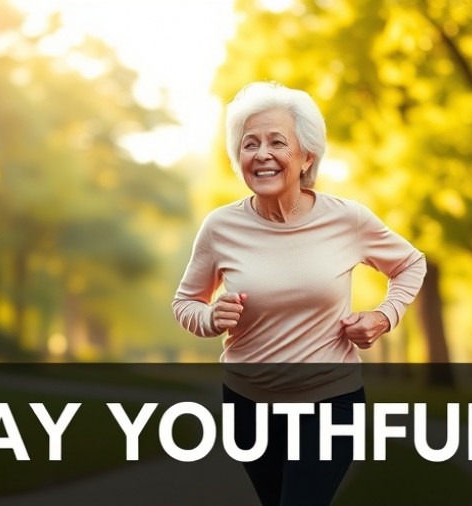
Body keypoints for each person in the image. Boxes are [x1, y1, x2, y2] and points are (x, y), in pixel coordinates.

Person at [172, 81, 427, 506]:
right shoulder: (220, 227)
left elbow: (410, 264)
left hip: (330, 399)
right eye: (250, 144)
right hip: (248, 405)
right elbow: (186, 303)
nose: (262, 154)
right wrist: (210, 317)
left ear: (307, 156)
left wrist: (384, 316)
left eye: (277, 142)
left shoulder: (347, 220)